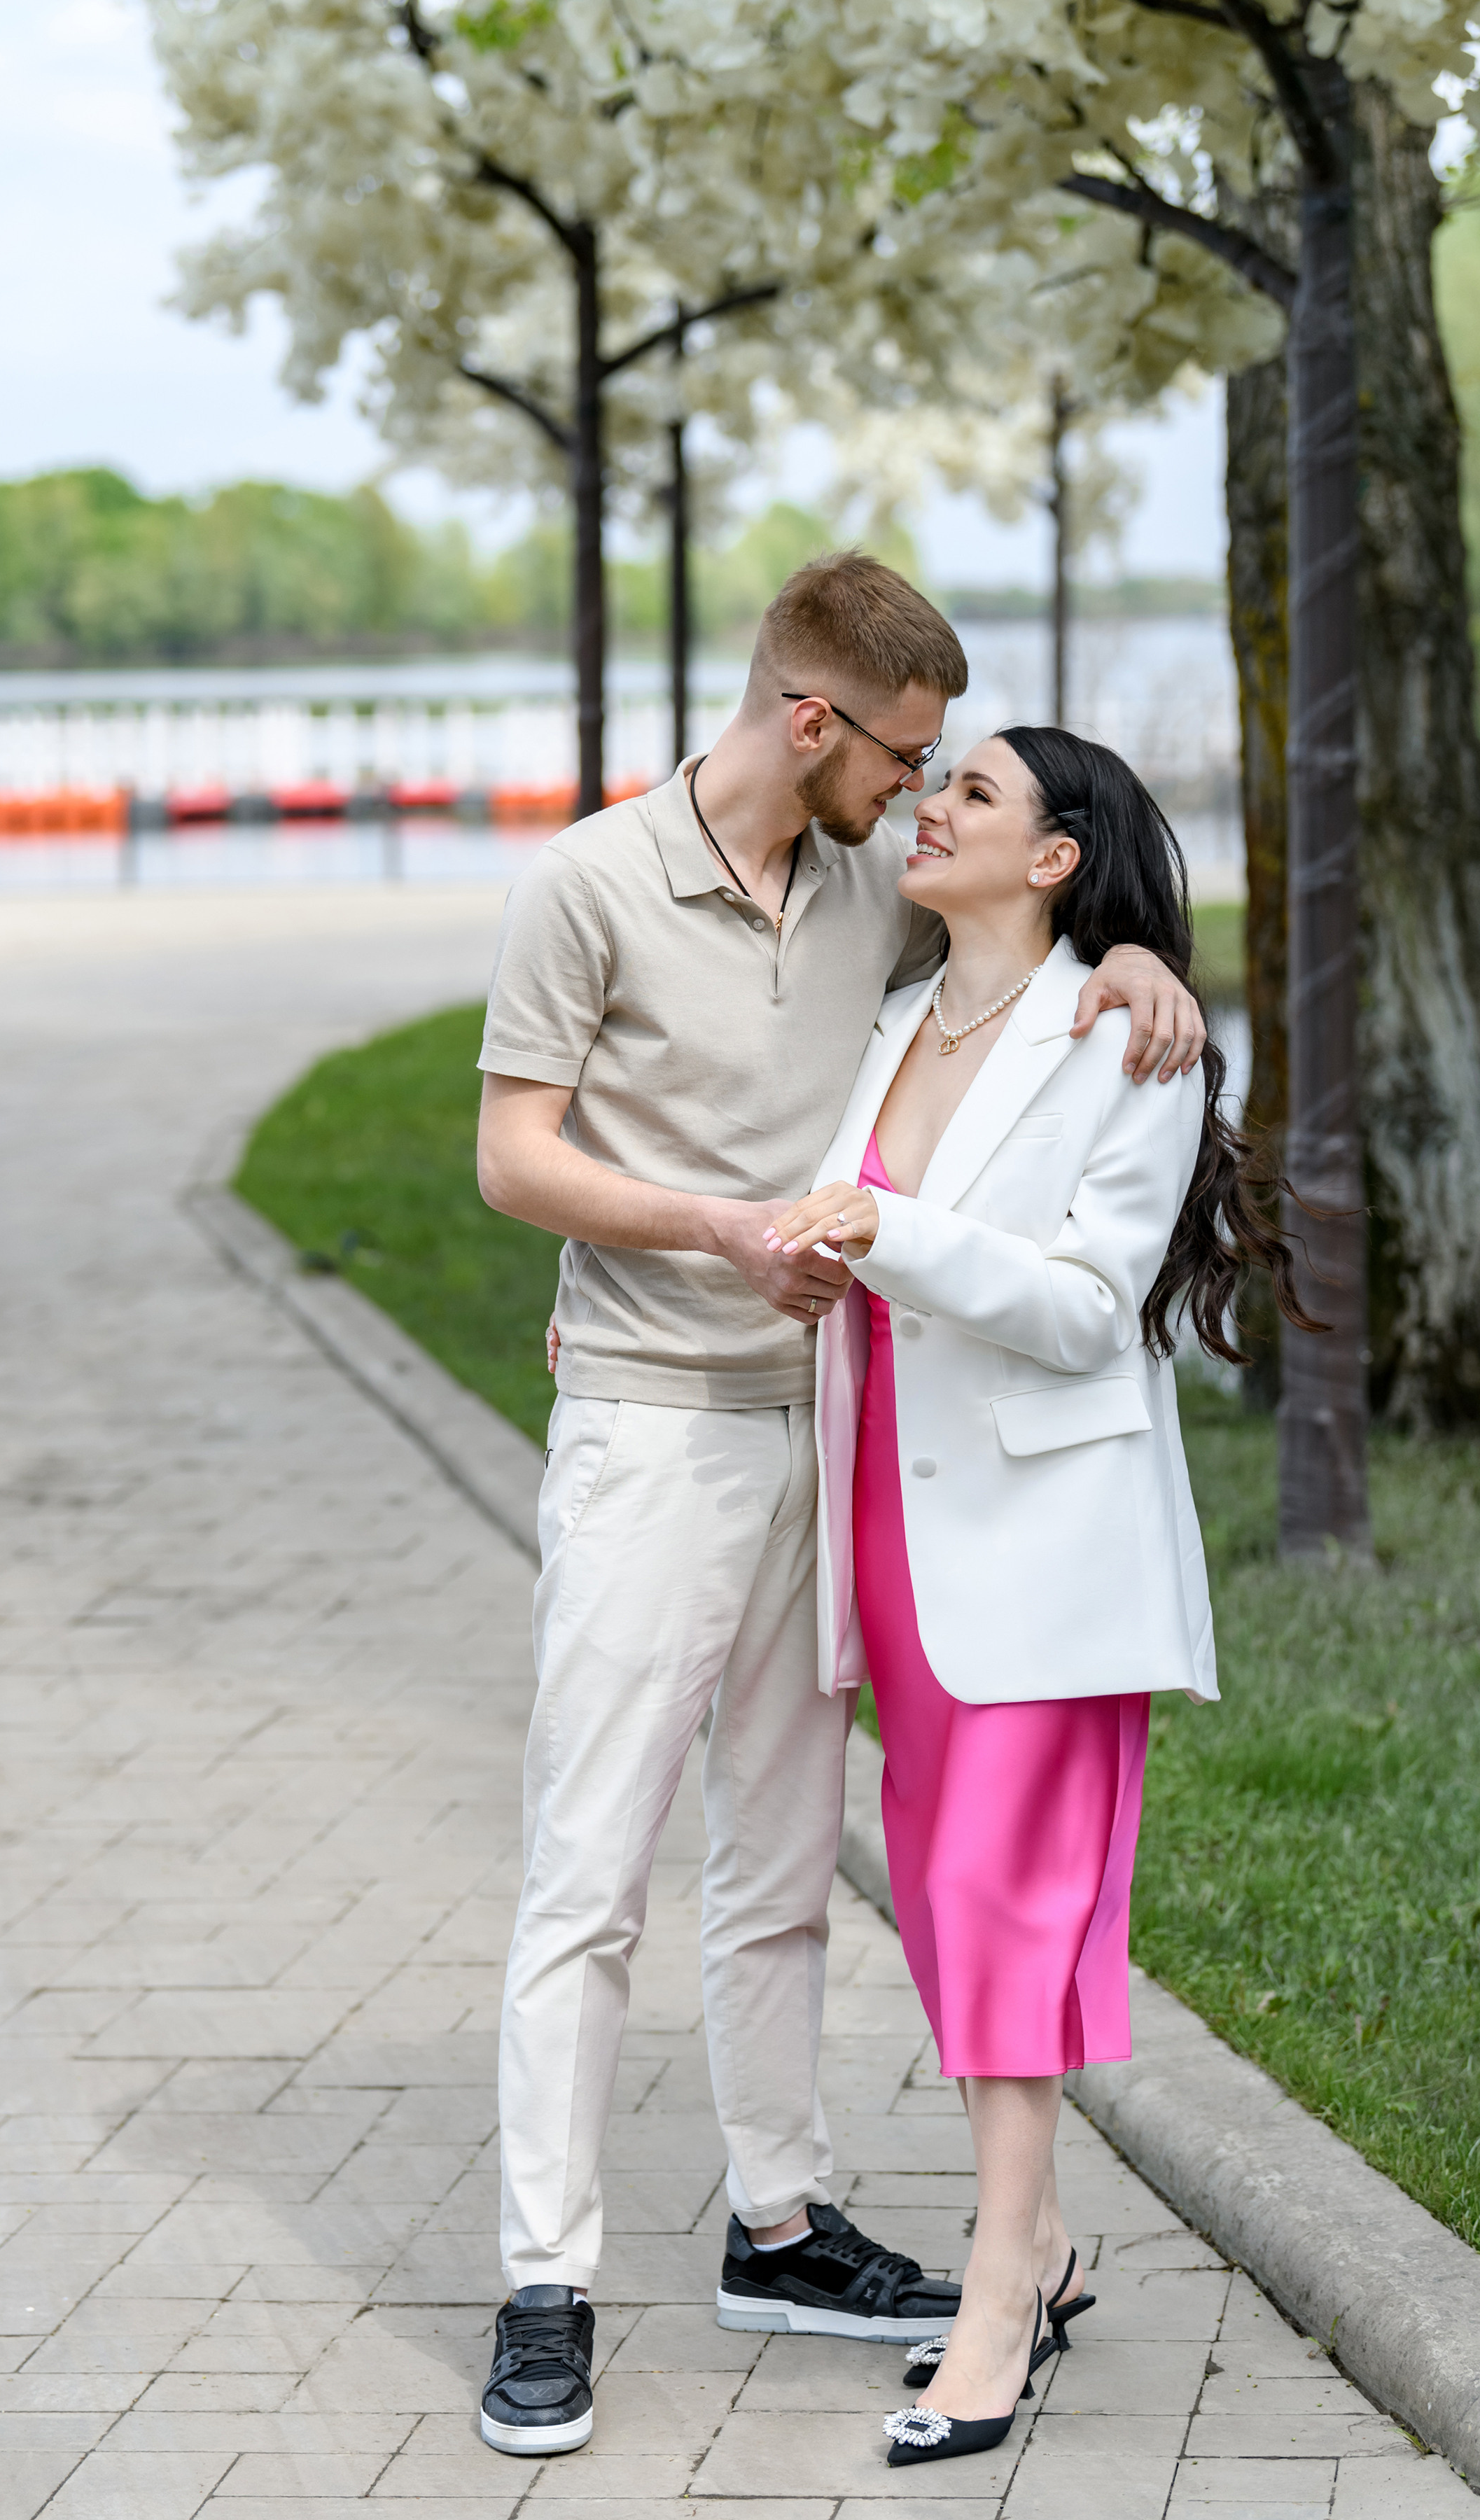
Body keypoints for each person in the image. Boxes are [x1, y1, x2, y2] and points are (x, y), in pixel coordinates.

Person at [472, 558, 1206, 2460]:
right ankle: (544, 2274)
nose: (925, 784)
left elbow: (1040, 974)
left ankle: (778, 2223)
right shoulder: (591, 885)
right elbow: (511, 1158)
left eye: (952, 771)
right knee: (593, 1864)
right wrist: (703, 1235)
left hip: (833, 1431)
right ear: (816, 724)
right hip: (654, 1421)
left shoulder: (881, 886)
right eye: (907, 753)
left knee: (786, 1863)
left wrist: (1140, 959)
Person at [765, 724, 1316, 2470]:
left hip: (1045, 1543)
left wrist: (880, 1233)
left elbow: (1090, 1306)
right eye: (941, 785)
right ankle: (1048, 2233)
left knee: (1008, 1907)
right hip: (889, 1521)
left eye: (976, 792)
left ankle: (1001, 2290)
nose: (934, 807)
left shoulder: (1127, 1040)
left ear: (1059, 856)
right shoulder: (896, 1016)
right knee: (941, 1901)